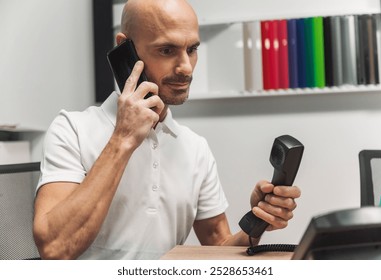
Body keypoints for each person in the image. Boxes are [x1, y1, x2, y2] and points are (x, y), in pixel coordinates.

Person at [33, 0, 301, 260]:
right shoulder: (72, 129)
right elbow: (55, 250)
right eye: (166, 50)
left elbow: (221, 248)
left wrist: (259, 219)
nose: (185, 67)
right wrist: (123, 139)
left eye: (192, 49)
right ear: (125, 50)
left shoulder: (195, 148)